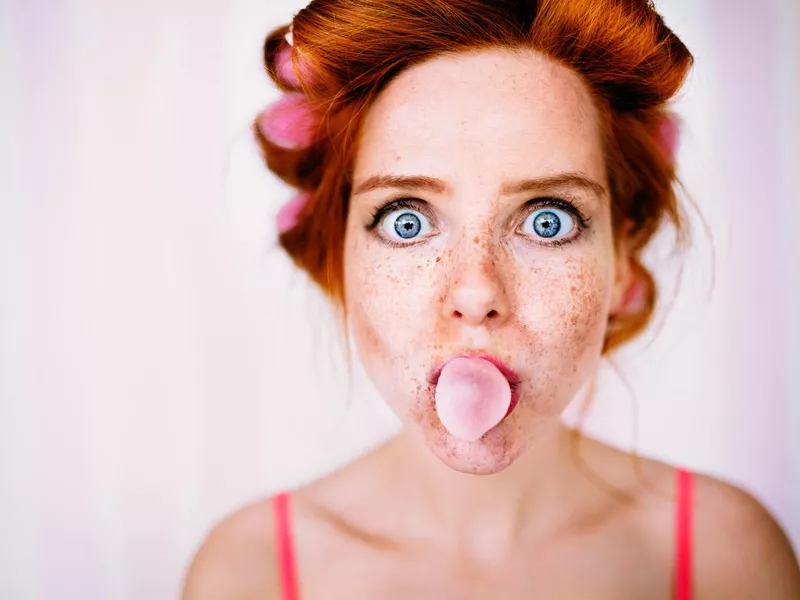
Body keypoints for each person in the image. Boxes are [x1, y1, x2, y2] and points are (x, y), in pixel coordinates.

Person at [182, 0, 800, 598]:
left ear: (620, 264)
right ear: (338, 255)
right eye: (405, 219)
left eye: (548, 220)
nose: (477, 293)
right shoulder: (248, 573)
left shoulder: (729, 555)